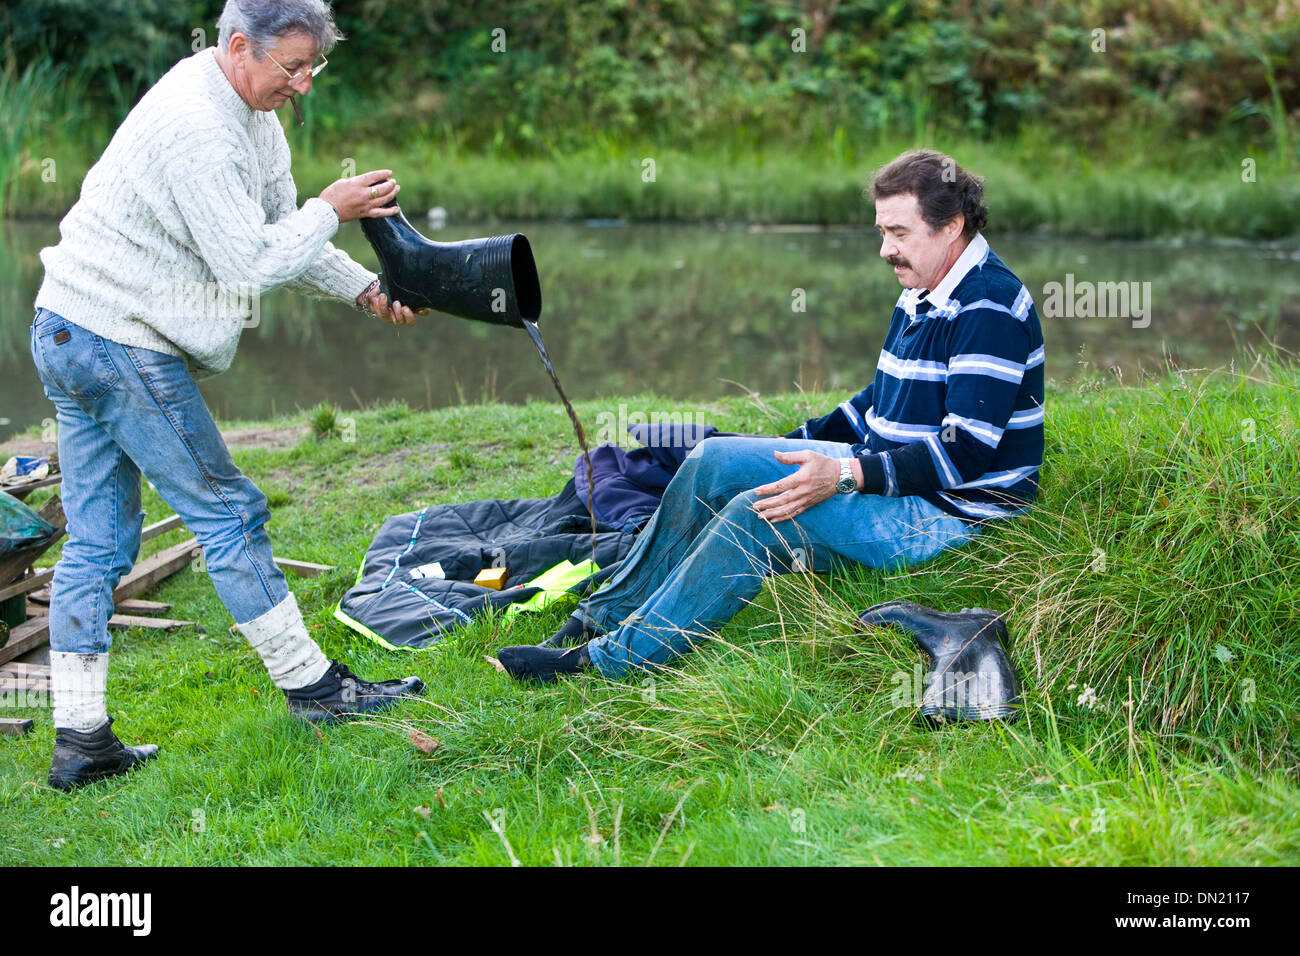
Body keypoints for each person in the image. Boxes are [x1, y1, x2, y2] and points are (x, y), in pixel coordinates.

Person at [30, 0, 429, 791]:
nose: (305, 84)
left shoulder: (254, 116)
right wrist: (332, 208)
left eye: (315, 67)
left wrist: (366, 290)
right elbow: (250, 263)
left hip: (69, 328)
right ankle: (316, 691)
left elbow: (283, 241)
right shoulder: (198, 127)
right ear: (239, 44)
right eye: (292, 66)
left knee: (100, 542)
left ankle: (81, 742)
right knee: (229, 510)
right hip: (115, 339)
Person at [498, 149, 1046, 683]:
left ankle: (613, 662)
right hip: (887, 472)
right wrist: (786, 448)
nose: (885, 249)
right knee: (714, 460)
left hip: (948, 512)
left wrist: (845, 476)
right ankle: (600, 616)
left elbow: (966, 449)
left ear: (951, 226)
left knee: (755, 517)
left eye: (898, 233)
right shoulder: (925, 284)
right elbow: (881, 399)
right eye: (881, 232)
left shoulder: (987, 307)